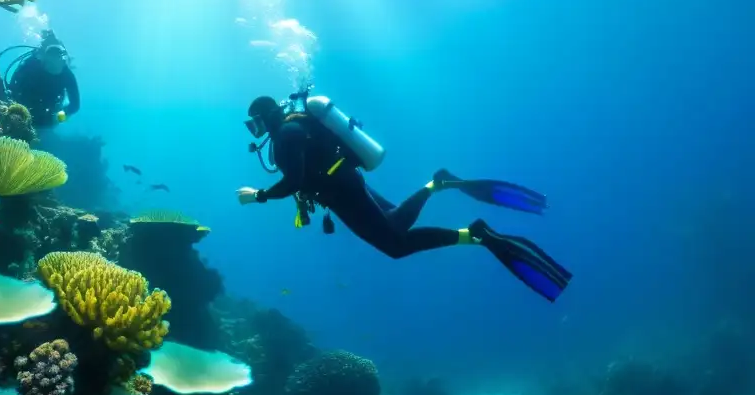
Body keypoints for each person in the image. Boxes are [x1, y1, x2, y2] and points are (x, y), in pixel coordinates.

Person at [236, 94, 572, 302]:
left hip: (343, 192)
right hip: (346, 183)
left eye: (255, 123)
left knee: (395, 244)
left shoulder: (284, 137)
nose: (255, 130)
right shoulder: (297, 125)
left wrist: (259, 196)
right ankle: (438, 188)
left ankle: (473, 231)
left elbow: (293, 180)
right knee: (395, 222)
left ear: (265, 117)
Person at [6, 30, 81, 127]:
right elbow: (13, 86)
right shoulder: (31, 64)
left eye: (57, 54)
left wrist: (58, 118)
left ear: (63, 57)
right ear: (44, 56)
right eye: (51, 53)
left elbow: (74, 106)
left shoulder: (67, 75)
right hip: (20, 109)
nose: (54, 60)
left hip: (47, 115)